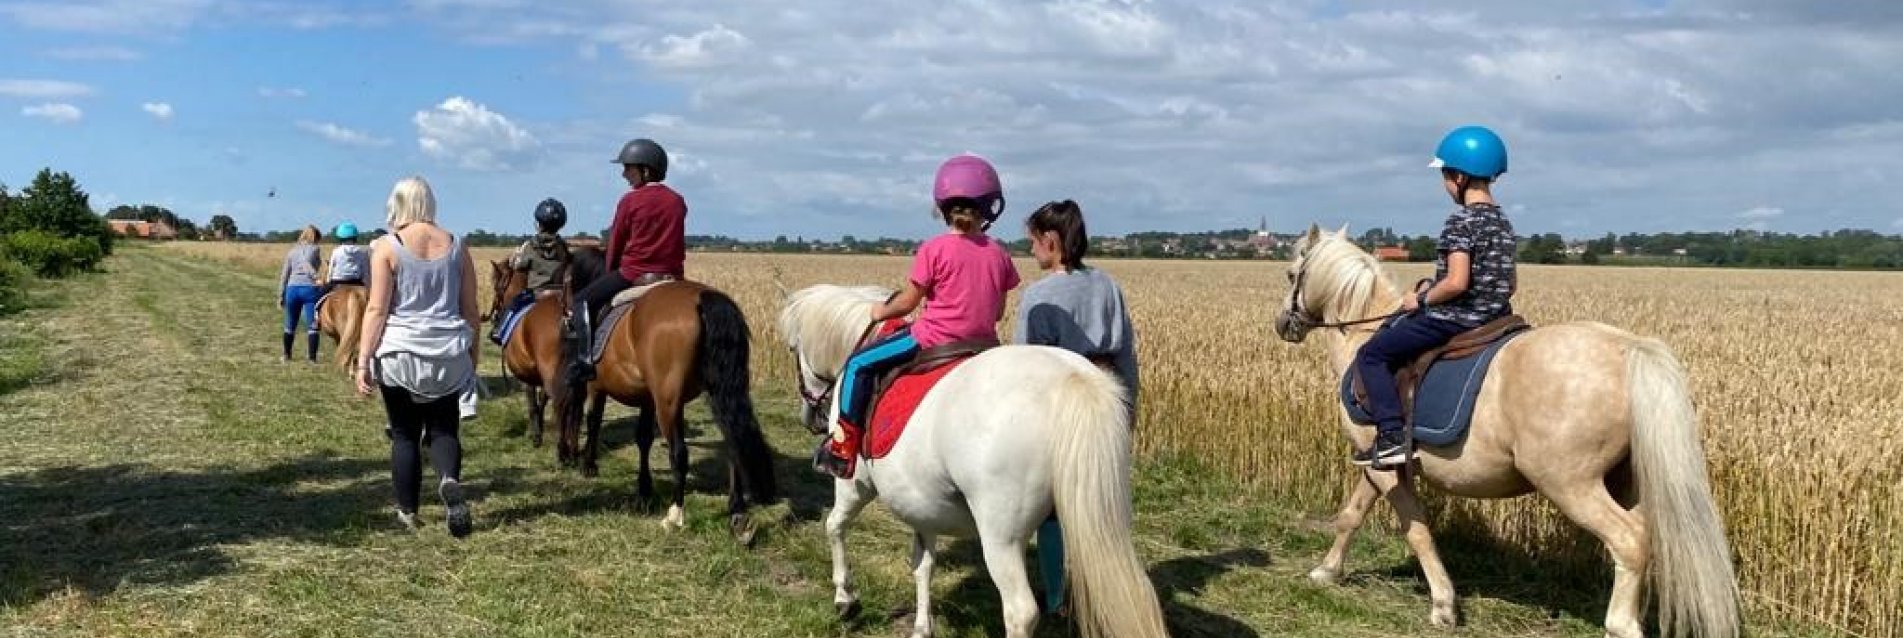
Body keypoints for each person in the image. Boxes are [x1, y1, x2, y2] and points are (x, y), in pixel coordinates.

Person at [813, 153, 1020, 480]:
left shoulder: (934, 249)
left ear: (943, 206)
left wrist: (881, 310)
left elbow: (908, 304)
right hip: (984, 345)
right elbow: (998, 311)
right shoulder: (1000, 254)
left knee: (857, 365)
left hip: (933, 339)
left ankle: (843, 447)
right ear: (989, 207)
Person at [1354, 125, 1518, 469]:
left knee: (1372, 354)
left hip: (1454, 320)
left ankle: (1391, 438)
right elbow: (1510, 284)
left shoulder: (1460, 222)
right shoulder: (1503, 223)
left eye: (1445, 175)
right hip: (1497, 320)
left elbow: (1457, 282)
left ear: (1459, 176)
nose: (1444, 184)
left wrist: (1423, 299)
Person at [1012, 199, 1139, 616]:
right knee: (1099, 502)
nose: (1030, 250)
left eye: (1033, 241)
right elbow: (1125, 356)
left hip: (1060, 406)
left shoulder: (1038, 296)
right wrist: (1128, 410)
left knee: (1051, 510)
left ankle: (1056, 598)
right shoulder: (1108, 285)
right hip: (1105, 398)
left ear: (1051, 241)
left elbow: (1024, 365)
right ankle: (1105, 588)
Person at [354, 176, 481, 537]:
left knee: (405, 433)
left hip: (400, 352)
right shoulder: (457, 245)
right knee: (444, 428)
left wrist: (364, 361)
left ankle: (408, 512)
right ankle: (449, 478)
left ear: (397, 204)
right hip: (448, 351)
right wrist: (473, 355)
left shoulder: (387, 247)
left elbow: (377, 308)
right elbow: (470, 308)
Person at [566, 138, 685, 384]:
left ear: (645, 170)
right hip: (673, 276)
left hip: (635, 272)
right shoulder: (677, 200)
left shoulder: (630, 200)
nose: (624, 174)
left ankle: (585, 362)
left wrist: (609, 271)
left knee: (580, 301)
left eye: (628, 168)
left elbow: (616, 242)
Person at [490, 198, 572, 344]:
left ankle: (500, 330)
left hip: (537, 294)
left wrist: (515, 257)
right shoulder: (563, 247)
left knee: (514, 305)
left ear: (538, 224)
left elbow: (518, 265)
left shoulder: (530, 246)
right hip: (560, 294)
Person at [277, 224, 324, 363]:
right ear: (315, 237)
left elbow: (284, 274)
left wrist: (281, 294)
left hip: (292, 288)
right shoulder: (315, 249)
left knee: (290, 323)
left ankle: (286, 354)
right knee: (312, 324)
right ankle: (312, 358)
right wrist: (318, 278)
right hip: (309, 289)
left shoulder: (292, 251)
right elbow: (316, 266)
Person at [322, 222, 369, 294]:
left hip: (337, 282)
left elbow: (330, 270)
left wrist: (328, 282)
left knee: (319, 296)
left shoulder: (336, 251)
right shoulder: (362, 252)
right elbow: (365, 272)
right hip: (356, 282)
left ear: (340, 237)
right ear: (355, 237)